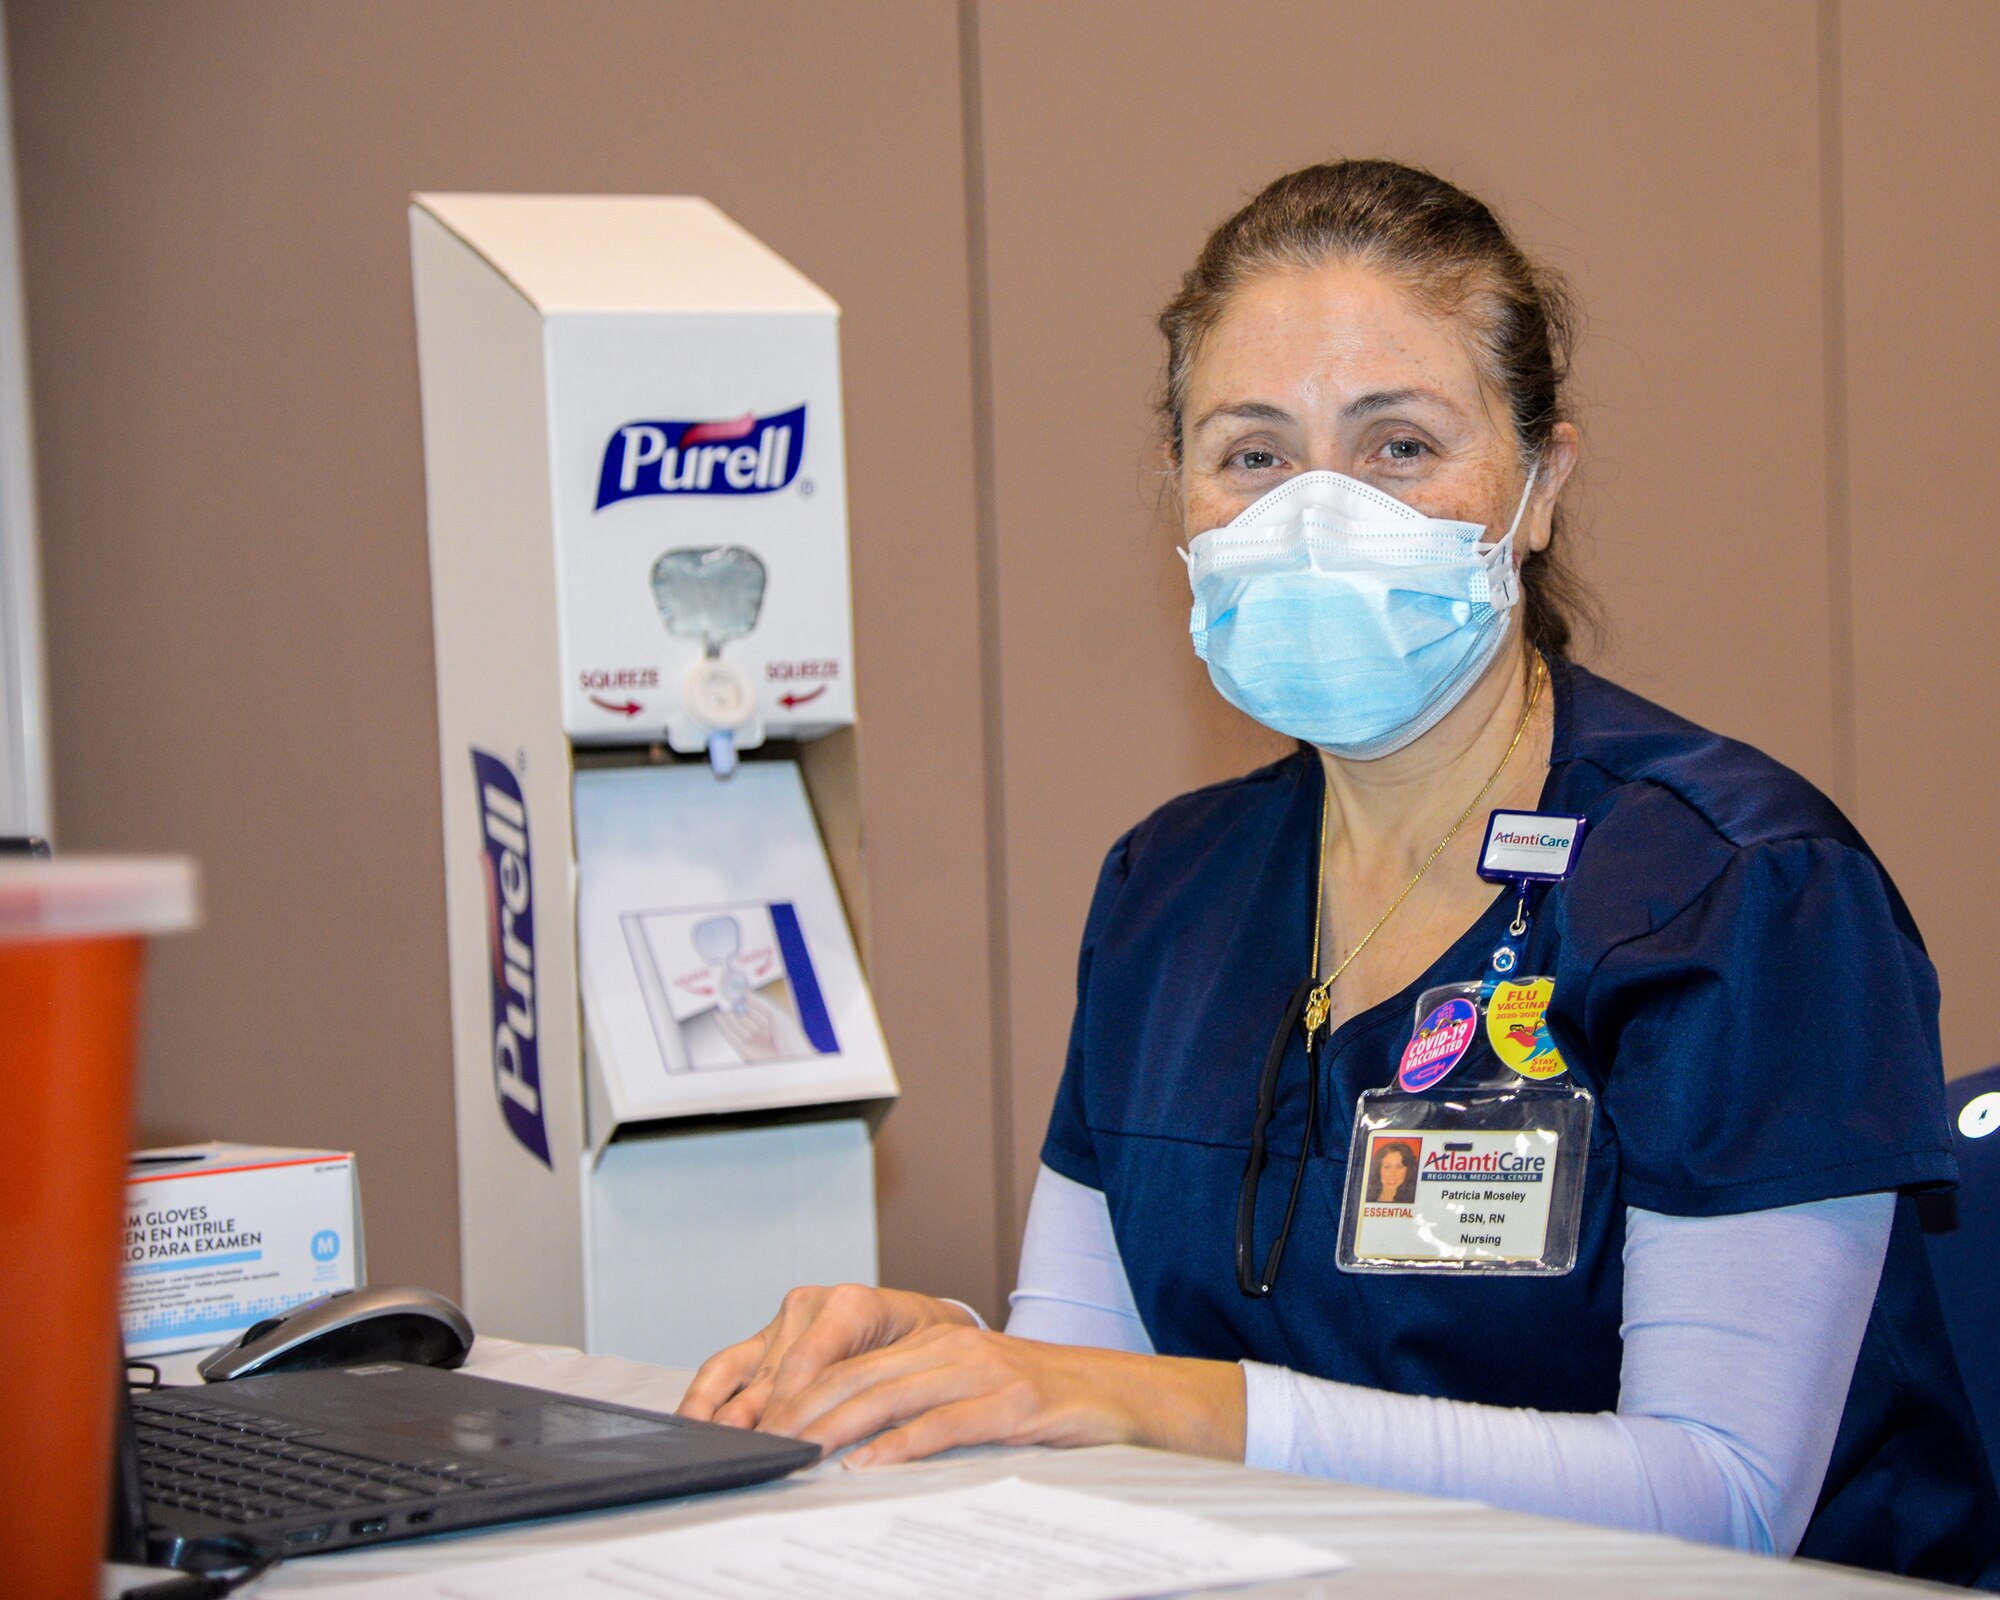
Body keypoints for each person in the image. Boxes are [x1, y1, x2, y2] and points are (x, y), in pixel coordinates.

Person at [678, 159, 1998, 1584]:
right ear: (1181, 499)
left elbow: (1727, 1498)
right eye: (1253, 455)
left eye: (1399, 447)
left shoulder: (1736, 888)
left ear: (1540, 485)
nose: (1315, 514)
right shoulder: (1168, 892)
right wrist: (944, 1361)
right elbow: (1084, 1381)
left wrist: (1179, 1410)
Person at [1366, 1139, 1416, 1204]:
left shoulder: (1413, 1201)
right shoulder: (1367, 1198)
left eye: (1399, 1167)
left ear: (1408, 1170)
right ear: (1378, 1169)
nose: (1392, 1174)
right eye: (1387, 1167)